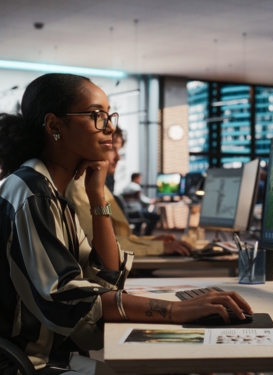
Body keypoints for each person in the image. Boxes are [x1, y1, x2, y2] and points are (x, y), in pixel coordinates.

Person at [0, 73, 253, 374]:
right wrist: (177, 309)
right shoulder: (32, 193)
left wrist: (97, 198)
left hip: (52, 355)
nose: (110, 127)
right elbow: (69, 299)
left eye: (108, 116)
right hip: (29, 364)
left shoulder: (52, 193)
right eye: (96, 115)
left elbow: (105, 277)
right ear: (55, 125)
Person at [66, 127, 192, 257]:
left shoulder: (96, 186)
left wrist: (150, 241)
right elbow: (96, 244)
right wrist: (157, 247)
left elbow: (115, 239)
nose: (118, 158)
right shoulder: (79, 188)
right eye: (113, 149)